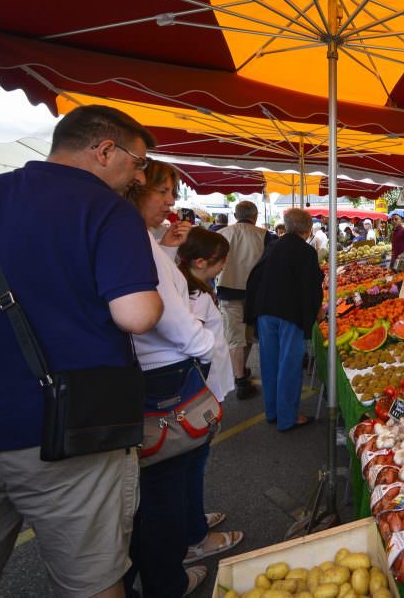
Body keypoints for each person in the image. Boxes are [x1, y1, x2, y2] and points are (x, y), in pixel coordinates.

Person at [0, 105, 163, 598]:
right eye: (139, 162)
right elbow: (136, 314)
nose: (140, 177)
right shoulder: (105, 208)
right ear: (105, 151)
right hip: (69, 429)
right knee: (91, 580)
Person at [123, 159, 226, 597]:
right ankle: (168, 580)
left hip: (153, 374)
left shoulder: (142, 240)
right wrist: (205, 347)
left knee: (162, 482)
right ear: (135, 186)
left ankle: (184, 538)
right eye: (163, 192)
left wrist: (165, 247)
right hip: (167, 378)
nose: (171, 202)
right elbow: (165, 311)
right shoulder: (135, 240)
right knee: (166, 483)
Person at [175, 227, 245, 568]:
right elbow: (193, 345)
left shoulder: (184, 286)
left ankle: (192, 521)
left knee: (191, 466)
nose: (223, 267)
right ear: (201, 262)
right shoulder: (196, 296)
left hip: (196, 393)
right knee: (193, 464)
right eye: (220, 262)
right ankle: (195, 537)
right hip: (198, 396)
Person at [244, 208, 324, 431]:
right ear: (308, 229)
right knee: (289, 364)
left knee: (269, 362)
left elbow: (256, 277)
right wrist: (316, 312)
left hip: (265, 311)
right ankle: (288, 418)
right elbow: (311, 287)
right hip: (290, 314)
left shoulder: (273, 245)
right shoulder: (305, 251)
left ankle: (272, 412)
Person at [215, 201, 270, 400]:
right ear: (255, 215)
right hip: (254, 293)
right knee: (247, 336)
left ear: (236, 215)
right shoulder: (263, 235)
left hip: (227, 290)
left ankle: (240, 374)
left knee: (235, 336)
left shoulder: (222, 234)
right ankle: (240, 378)